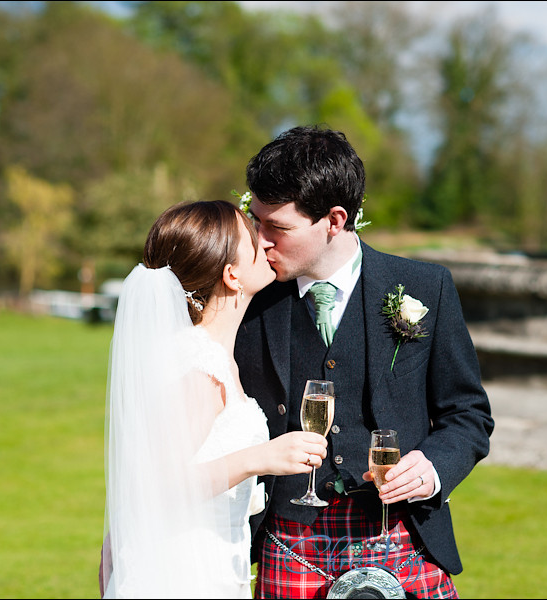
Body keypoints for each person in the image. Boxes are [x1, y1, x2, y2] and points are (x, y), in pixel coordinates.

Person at [236, 125, 495, 599]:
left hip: (400, 534)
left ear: (334, 220)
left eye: (278, 227)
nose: (261, 240)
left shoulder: (424, 286)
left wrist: (433, 468)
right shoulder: (247, 299)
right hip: (288, 539)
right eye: (256, 220)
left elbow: (468, 414)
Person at [98, 200, 328, 598]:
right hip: (184, 573)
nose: (263, 238)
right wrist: (263, 457)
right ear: (232, 275)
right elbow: (158, 485)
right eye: (250, 235)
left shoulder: (210, 357)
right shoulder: (201, 369)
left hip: (212, 563)